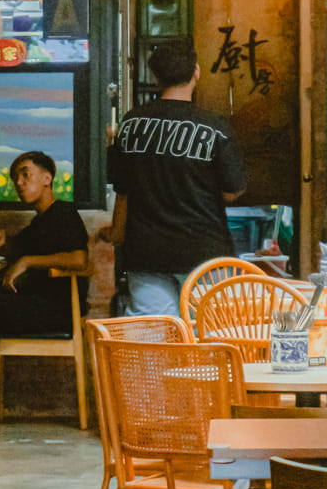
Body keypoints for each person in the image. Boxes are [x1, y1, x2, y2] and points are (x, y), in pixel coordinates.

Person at [105, 41, 246, 316]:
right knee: (209, 339)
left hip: (146, 253)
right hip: (205, 253)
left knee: (156, 341)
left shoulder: (131, 124)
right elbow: (232, 191)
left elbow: (123, 191)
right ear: (196, 72)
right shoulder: (215, 128)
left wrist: (115, 235)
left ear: (156, 77)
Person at [0, 151, 89, 434]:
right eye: (15, 178)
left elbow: (79, 260)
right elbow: (20, 245)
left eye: (25, 175)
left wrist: (27, 261)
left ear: (47, 178)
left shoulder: (64, 212)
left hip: (57, 309)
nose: (19, 182)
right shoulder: (40, 222)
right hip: (35, 305)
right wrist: (1, 242)